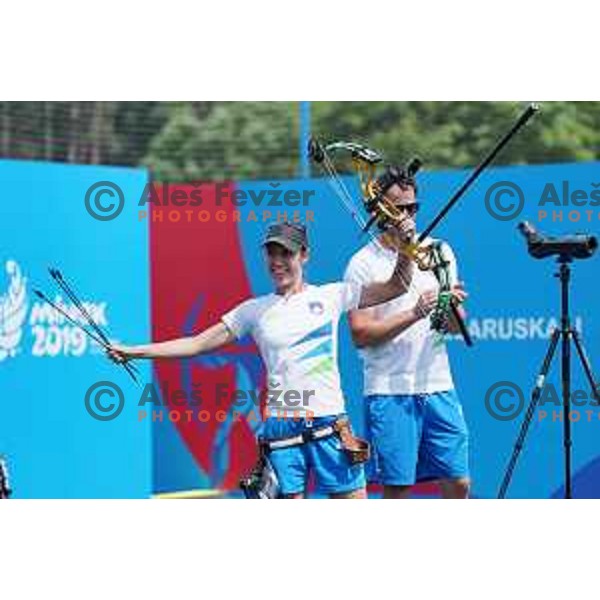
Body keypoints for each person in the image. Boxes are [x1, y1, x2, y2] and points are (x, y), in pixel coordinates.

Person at [107, 221, 414, 499]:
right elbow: (197, 343)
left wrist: (405, 245)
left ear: (304, 256)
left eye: (287, 254)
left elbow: (397, 285)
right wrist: (134, 350)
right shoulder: (253, 311)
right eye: (272, 254)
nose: (278, 262)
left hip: (330, 425)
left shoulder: (333, 295)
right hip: (281, 429)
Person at [344, 165, 470, 499]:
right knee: (398, 490)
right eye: (399, 208)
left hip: (438, 385)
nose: (408, 216)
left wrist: (451, 307)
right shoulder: (362, 263)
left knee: (459, 483)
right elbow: (361, 333)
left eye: (413, 207)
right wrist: (415, 313)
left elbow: (457, 326)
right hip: (389, 391)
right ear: (380, 210)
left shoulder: (440, 251)